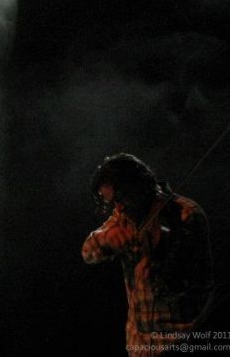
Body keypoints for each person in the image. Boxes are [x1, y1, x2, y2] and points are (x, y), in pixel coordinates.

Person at [82, 153, 214, 357]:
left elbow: (196, 283)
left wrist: (157, 269)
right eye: (112, 203)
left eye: (120, 199)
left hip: (179, 340)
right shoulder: (124, 216)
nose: (118, 208)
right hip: (139, 341)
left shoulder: (186, 214)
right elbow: (87, 253)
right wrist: (104, 239)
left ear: (138, 185)